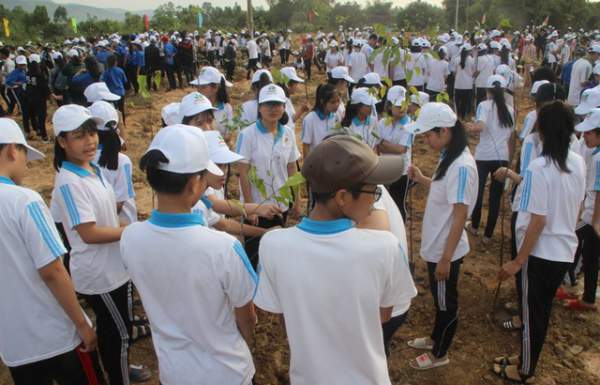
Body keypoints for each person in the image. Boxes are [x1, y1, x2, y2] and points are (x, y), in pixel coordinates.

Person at [255, 134, 414, 384]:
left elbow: (284, 317)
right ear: (342, 197)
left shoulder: (273, 245)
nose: (375, 198)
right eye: (372, 190)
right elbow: (383, 315)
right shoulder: (384, 247)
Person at [121, 125, 257, 385]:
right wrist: (244, 343)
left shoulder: (130, 238)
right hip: (226, 372)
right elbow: (247, 317)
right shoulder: (223, 248)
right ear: (195, 183)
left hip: (175, 373)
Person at [0, 118, 98, 385]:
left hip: (13, 345)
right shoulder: (25, 201)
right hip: (53, 336)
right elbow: (52, 270)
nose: (24, 163)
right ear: (12, 150)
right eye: (23, 155)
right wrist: (81, 323)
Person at [493, 100, 585, 384]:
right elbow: (577, 206)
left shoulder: (539, 167)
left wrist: (518, 260)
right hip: (563, 250)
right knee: (539, 311)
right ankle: (525, 358)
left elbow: (538, 220)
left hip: (540, 254)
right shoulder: (577, 162)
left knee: (534, 316)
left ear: (542, 132)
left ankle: (524, 370)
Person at [50, 104, 136, 385]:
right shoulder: (69, 182)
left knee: (116, 332)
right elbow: (88, 233)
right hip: (100, 274)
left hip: (113, 266)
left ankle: (117, 370)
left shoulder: (92, 169)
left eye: (91, 133)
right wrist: (130, 232)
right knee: (120, 334)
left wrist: (125, 228)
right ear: (62, 141)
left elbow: (104, 217)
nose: (89, 141)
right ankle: (119, 377)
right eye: (78, 135)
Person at [406, 102, 478, 370]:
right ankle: (436, 337)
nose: (426, 140)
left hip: (446, 248)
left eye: (429, 135)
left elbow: (460, 214)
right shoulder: (449, 154)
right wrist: (424, 178)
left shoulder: (461, 166)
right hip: (437, 243)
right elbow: (442, 189)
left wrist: (446, 259)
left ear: (445, 131)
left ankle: (440, 352)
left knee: (447, 303)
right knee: (439, 299)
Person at [236, 84, 302, 267]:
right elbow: (243, 172)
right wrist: (251, 207)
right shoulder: (247, 135)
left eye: (278, 104)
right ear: (260, 107)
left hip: (281, 204)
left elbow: (291, 169)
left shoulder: (288, 133)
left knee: (276, 253)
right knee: (255, 255)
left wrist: (296, 200)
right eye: (268, 104)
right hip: (257, 206)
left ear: (284, 106)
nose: (273, 109)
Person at [466, 75, 515, 243]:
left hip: (483, 156)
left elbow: (481, 126)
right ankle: (488, 234)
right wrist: (510, 159)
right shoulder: (510, 110)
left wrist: (469, 127)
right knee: (495, 197)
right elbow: (511, 137)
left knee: (477, 193)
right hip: (502, 158)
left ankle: (474, 226)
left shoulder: (484, 106)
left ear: (488, 91)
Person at [564, 109, 600, 311]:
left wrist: (594, 220)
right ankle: (587, 297)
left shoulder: (597, 159)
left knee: (577, 248)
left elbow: (597, 190)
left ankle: (576, 290)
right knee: (590, 257)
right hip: (592, 215)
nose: (584, 136)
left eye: (588, 133)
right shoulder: (595, 155)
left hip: (592, 216)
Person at [89, 101, 137, 225]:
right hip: (122, 227)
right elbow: (120, 202)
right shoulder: (122, 160)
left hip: (98, 225)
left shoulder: (84, 158)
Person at [375, 85, 413, 220]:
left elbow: (401, 149)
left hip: (402, 170)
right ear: (389, 106)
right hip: (385, 167)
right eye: (398, 106)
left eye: (404, 104)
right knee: (384, 201)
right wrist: (384, 146)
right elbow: (377, 148)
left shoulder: (409, 124)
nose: (403, 108)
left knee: (398, 203)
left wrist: (382, 143)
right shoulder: (382, 123)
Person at [192, 67, 234, 138]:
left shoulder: (226, 108)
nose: (199, 90)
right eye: (198, 86)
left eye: (203, 87)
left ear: (215, 88)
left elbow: (229, 134)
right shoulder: (194, 109)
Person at [301, 83, 341, 156]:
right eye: (332, 102)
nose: (336, 105)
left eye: (338, 101)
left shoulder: (336, 116)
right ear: (322, 101)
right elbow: (306, 146)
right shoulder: (310, 119)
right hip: (317, 161)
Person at [26, 54, 50, 141]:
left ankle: (37, 129)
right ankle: (44, 135)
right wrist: (48, 96)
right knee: (41, 116)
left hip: (30, 97)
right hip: (40, 98)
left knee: (33, 114)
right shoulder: (40, 74)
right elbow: (44, 87)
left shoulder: (28, 72)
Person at [101, 55, 127, 124]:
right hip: (120, 92)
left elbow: (103, 82)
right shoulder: (120, 70)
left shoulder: (106, 72)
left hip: (111, 94)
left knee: (113, 110)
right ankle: (123, 123)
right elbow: (125, 80)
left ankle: (116, 124)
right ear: (116, 62)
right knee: (121, 109)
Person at [453, 43, 475, 119]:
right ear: (469, 51)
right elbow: (473, 72)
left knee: (458, 102)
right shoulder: (472, 60)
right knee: (465, 102)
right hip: (468, 85)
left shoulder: (456, 59)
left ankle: (457, 116)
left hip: (458, 84)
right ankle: (463, 117)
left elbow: (454, 72)